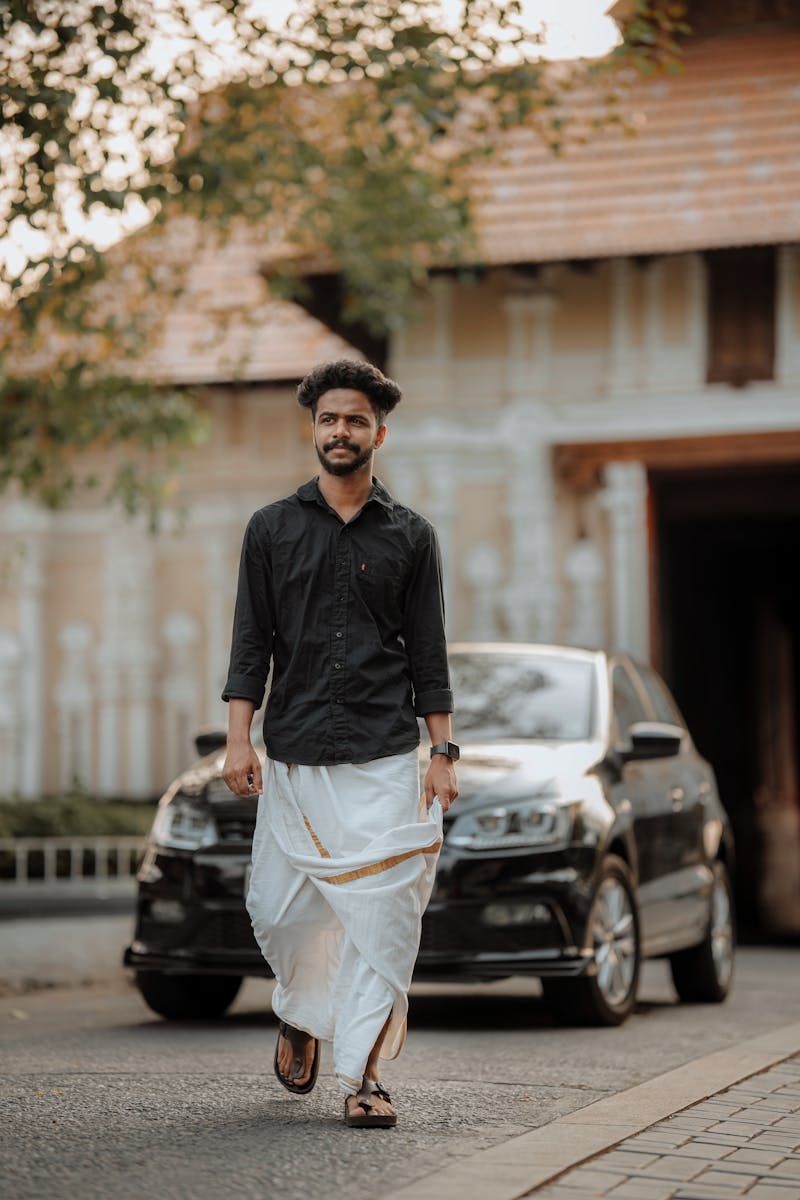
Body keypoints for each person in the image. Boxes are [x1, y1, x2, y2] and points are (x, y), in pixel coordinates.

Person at [221, 359, 458, 1128]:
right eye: (328, 419)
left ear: (378, 433)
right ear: (313, 431)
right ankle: (300, 1007)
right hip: (291, 753)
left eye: (355, 420)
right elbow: (251, 642)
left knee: (379, 920)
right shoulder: (270, 528)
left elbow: (429, 652)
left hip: (386, 756)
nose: (340, 431)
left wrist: (444, 754)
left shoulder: (412, 537)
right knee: (276, 910)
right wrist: (238, 740)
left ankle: (365, 1076)